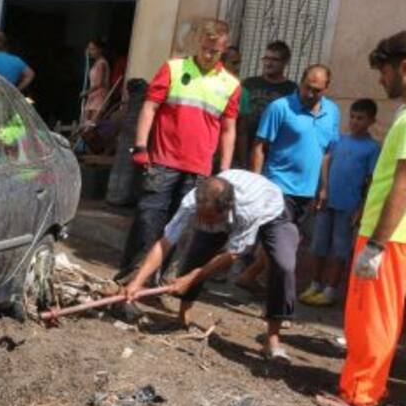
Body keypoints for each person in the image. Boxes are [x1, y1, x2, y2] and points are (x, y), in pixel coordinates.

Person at [316, 32, 406, 406]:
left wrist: (376, 245)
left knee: (372, 316)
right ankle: (368, 385)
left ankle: (360, 394)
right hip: (391, 236)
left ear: (403, 67)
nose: (381, 80)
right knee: (373, 315)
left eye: (384, 71)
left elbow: (402, 185)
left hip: (389, 236)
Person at [125, 171, 300, 359]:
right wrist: (137, 281)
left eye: (209, 218)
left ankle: (272, 340)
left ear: (226, 209)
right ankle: (182, 318)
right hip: (227, 209)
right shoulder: (193, 201)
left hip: (272, 210)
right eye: (202, 215)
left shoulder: (249, 209)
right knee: (198, 252)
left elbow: (234, 253)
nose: (204, 222)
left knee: (284, 265)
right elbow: (165, 243)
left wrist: (192, 277)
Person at [118, 18, 239, 280]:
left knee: (179, 228)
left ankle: (155, 282)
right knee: (148, 221)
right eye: (205, 48)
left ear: (224, 48)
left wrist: (225, 170)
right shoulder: (173, 69)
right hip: (163, 162)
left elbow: (229, 129)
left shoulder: (230, 85)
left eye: (215, 51)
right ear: (199, 42)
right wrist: (140, 146)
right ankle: (129, 278)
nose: (208, 55)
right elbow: (149, 107)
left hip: (199, 170)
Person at [235, 65, 340, 292]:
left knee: (288, 242)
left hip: (308, 191)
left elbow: (328, 151)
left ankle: (249, 275)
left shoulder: (332, 112)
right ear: (300, 82)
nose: (311, 94)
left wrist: (323, 186)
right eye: (307, 88)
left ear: (326, 88)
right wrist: (257, 183)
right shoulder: (280, 108)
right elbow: (260, 146)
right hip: (279, 185)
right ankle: (275, 297)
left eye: (317, 90)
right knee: (282, 244)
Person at [302, 99, 381, 306]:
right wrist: (322, 190)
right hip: (328, 202)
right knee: (318, 245)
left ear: (371, 121)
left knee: (340, 248)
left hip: (349, 206)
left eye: (360, 118)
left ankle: (330, 290)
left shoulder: (372, 148)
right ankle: (315, 284)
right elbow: (326, 161)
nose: (355, 122)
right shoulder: (338, 140)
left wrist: (362, 208)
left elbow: (371, 181)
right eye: (352, 117)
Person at [239, 40, 296, 166]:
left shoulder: (291, 90)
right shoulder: (249, 84)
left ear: (285, 62)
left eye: (274, 60)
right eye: (266, 58)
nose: (269, 63)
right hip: (243, 148)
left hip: (273, 155)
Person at [81, 38, 111, 124]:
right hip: (92, 97)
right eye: (89, 49)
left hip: (99, 97)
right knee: (85, 124)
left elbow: (99, 83)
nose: (90, 52)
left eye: (93, 49)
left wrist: (85, 92)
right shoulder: (96, 63)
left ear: (100, 50)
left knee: (92, 125)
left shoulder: (102, 63)